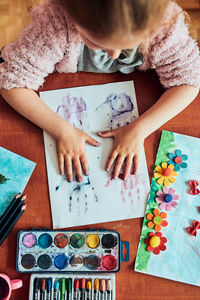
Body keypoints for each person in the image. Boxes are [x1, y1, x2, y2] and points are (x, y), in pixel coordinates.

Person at [0, 0, 200, 183]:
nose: (113, 54)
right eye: (97, 42)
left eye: (126, 45)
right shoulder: (55, 22)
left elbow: (189, 81)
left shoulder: (163, 25)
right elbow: (12, 82)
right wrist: (61, 129)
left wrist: (140, 129)